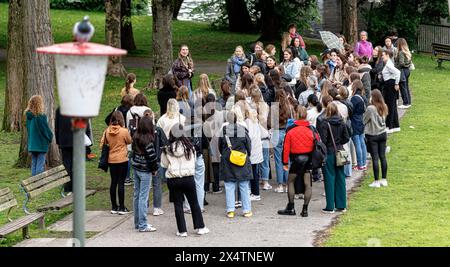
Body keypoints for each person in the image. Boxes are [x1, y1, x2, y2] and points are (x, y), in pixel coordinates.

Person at [160, 124, 210, 237]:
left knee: (178, 204)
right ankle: (200, 227)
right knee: (194, 202)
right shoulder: (190, 147)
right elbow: (192, 162)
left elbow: (164, 164)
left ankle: (182, 230)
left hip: (174, 178)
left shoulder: (167, 149)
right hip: (188, 177)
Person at [278, 106, 318, 217]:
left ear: (296, 114)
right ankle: (305, 209)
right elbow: (317, 144)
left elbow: (286, 148)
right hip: (308, 159)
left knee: (290, 182)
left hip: (295, 159)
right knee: (308, 184)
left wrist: (285, 162)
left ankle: (291, 207)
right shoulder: (312, 129)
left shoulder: (290, 129)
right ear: (306, 115)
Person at [219, 106, 253, 218]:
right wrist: (248, 154)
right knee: (243, 184)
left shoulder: (223, 131)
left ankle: (230, 210)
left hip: (228, 159)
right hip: (242, 158)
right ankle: (247, 210)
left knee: (229, 185)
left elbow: (220, 146)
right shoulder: (243, 130)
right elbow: (249, 145)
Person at [318, 103, 350, 213]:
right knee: (340, 178)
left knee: (329, 178)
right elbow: (346, 137)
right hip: (340, 151)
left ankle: (330, 206)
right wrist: (339, 143)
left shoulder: (324, 123)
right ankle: (341, 205)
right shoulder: (342, 122)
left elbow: (324, 140)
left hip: (329, 152)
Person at [130, 115, 159, 232]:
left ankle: (138, 222)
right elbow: (152, 158)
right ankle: (142, 224)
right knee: (143, 197)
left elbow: (133, 153)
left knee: (137, 195)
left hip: (137, 168)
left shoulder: (135, 137)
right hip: (145, 170)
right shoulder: (148, 140)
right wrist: (154, 169)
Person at [101, 111, 132, 215]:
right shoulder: (124, 131)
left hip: (111, 159)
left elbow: (102, 144)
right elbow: (129, 141)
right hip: (122, 159)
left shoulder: (106, 131)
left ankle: (114, 206)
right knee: (121, 183)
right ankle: (122, 207)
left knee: (113, 182)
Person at [56, 107, 91, 194]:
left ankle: (68, 187)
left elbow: (56, 126)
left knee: (67, 165)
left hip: (64, 141)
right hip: (77, 141)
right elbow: (85, 127)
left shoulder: (60, 109)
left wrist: (58, 140)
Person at [364, 89, 389, 188]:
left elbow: (364, 120)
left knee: (375, 157)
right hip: (383, 133)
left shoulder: (370, 108)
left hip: (373, 135)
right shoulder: (384, 106)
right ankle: (384, 179)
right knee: (382, 156)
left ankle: (376, 181)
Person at [25, 95, 53, 176]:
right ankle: (38, 184)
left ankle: (33, 182)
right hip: (41, 144)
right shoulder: (41, 116)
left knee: (34, 164)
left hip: (32, 144)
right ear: (39, 104)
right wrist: (50, 137)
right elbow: (45, 130)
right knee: (40, 165)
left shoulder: (28, 116)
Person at [245, 107, 263, 201]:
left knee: (252, 173)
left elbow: (249, 137)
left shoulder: (248, 122)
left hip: (252, 151)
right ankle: (254, 192)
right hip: (256, 151)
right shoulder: (255, 121)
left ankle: (255, 193)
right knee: (254, 172)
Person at [381, 49, 401, 133]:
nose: (382, 56)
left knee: (390, 106)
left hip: (390, 85)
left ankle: (389, 126)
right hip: (389, 84)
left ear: (387, 55)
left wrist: (396, 83)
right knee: (392, 106)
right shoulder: (388, 63)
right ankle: (395, 126)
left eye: (383, 55)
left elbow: (398, 72)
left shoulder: (389, 64)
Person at [350, 80, 368, 171]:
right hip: (361, 120)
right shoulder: (363, 97)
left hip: (355, 121)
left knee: (357, 143)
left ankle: (360, 164)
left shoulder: (354, 98)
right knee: (362, 142)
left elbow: (351, 110)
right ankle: (364, 163)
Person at [395, 38, 412, 109]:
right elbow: (409, 62)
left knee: (403, 87)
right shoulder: (407, 52)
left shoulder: (401, 52)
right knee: (406, 86)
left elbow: (401, 63)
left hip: (402, 71)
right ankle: (409, 102)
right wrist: (407, 65)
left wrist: (395, 66)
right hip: (407, 70)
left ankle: (405, 103)